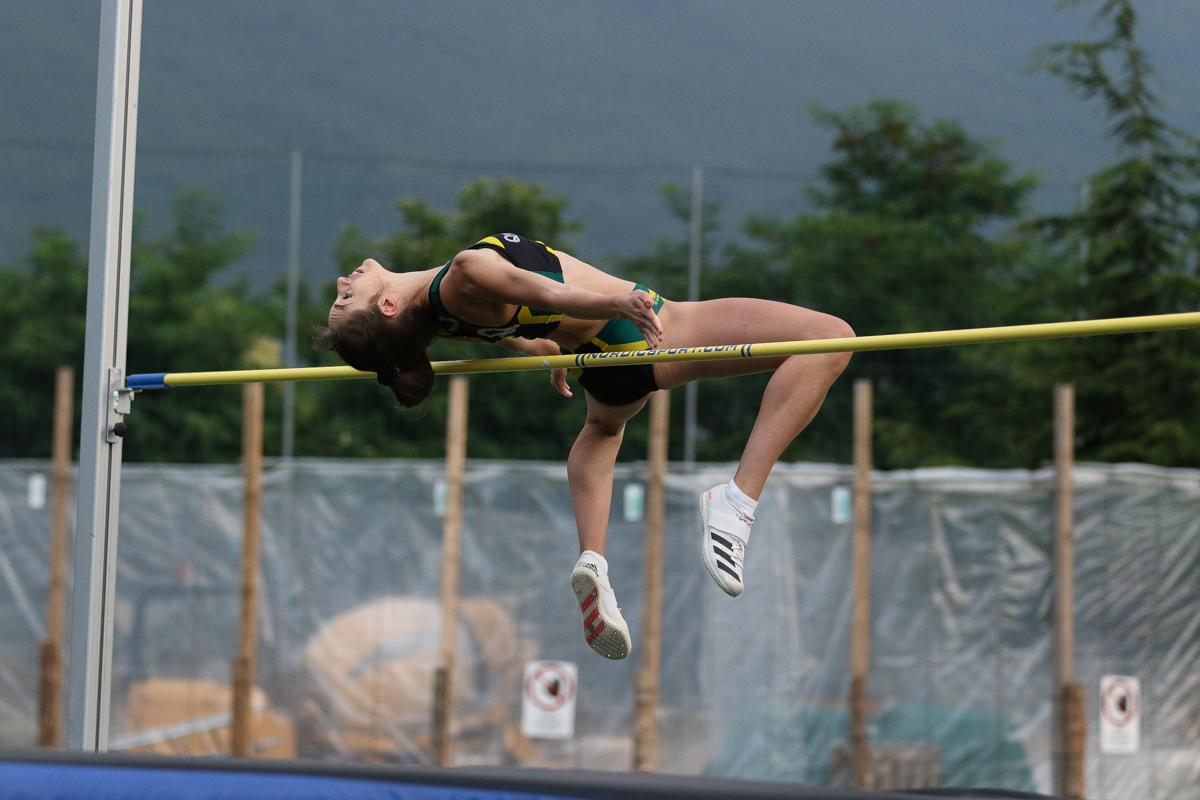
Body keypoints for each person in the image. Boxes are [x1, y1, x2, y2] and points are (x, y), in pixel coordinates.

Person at [318, 233, 853, 660]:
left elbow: (516, 332)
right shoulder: (464, 272)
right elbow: (547, 295)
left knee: (603, 430)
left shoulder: (440, 318)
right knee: (831, 338)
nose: (343, 281)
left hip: (598, 363)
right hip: (650, 328)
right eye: (346, 297)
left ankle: (593, 559)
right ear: (389, 305)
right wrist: (617, 302)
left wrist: (548, 351)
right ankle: (737, 501)